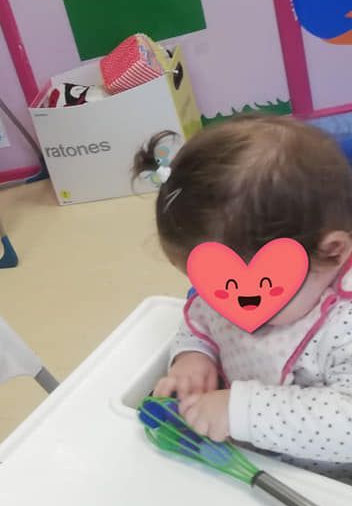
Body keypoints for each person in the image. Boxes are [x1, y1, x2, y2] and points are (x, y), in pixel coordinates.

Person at [135, 116, 352, 484]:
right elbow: (201, 318)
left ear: (332, 251)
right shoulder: (230, 295)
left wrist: (244, 411)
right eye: (213, 285)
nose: (231, 309)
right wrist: (194, 356)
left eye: (261, 286)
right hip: (252, 467)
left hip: (330, 483)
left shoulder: (341, 322)